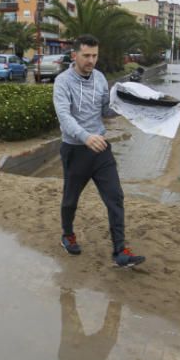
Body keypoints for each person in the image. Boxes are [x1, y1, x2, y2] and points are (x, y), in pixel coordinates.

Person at [52, 34, 145, 268]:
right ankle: (68, 235)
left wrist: (125, 103)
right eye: (86, 56)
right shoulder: (62, 82)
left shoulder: (101, 78)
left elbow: (106, 110)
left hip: (100, 148)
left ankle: (120, 250)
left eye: (94, 55)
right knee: (70, 200)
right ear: (75, 55)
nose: (91, 60)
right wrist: (85, 136)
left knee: (115, 196)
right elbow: (64, 117)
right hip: (75, 149)